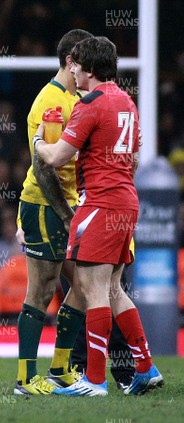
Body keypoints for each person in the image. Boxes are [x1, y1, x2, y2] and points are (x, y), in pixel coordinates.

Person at [34, 36, 164, 396]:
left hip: (100, 203)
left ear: (88, 69)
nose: (70, 70)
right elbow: (134, 158)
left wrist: (38, 143)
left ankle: (93, 381)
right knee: (113, 289)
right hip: (126, 201)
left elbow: (57, 157)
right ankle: (145, 366)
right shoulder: (126, 101)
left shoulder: (90, 104)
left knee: (92, 291)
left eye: (74, 64)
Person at [14, 29, 92, 395]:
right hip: (48, 206)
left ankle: (61, 367)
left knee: (84, 284)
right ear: (70, 62)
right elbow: (44, 167)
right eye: (85, 62)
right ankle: (25, 378)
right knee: (42, 291)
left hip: (66, 205)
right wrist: (65, 213)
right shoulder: (53, 102)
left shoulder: (74, 98)